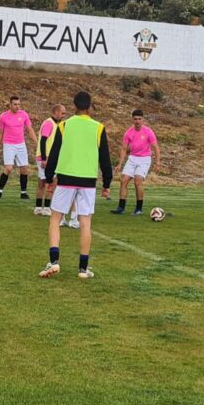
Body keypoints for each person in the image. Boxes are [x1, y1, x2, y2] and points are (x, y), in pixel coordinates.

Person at [40, 91, 112, 279]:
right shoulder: (98, 127)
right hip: (88, 181)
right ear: (90, 106)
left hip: (66, 179)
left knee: (55, 219)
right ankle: (83, 269)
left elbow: (54, 153)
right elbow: (105, 159)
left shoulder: (64, 125)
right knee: (85, 223)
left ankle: (54, 261)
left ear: (74, 106)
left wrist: (49, 179)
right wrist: (107, 184)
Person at [111, 108, 161, 215]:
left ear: (142, 120)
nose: (137, 121)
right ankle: (121, 208)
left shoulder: (148, 131)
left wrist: (158, 163)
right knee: (124, 180)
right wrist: (120, 164)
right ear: (132, 120)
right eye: (135, 119)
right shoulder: (128, 132)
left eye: (139, 119)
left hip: (145, 159)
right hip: (132, 158)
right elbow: (124, 149)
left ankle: (138, 209)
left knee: (137, 181)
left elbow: (155, 147)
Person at [0, 95, 37, 200]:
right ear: (10, 104)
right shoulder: (3, 116)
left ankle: (23, 193)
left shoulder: (24, 115)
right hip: (8, 144)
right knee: (8, 168)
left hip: (21, 144)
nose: (17, 106)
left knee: (24, 169)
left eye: (18, 104)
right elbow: (0, 133)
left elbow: (30, 130)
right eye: (15, 104)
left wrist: (37, 143)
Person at [34, 104, 66, 215]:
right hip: (46, 157)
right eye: (62, 113)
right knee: (46, 182)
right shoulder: (49, 123)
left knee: (47, 181)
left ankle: (42, 207)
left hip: (51, 157)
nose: (64, 115)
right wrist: (44, 158)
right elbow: (43, 141)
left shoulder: (58, 125)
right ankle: (42, 207)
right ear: (56, 112)